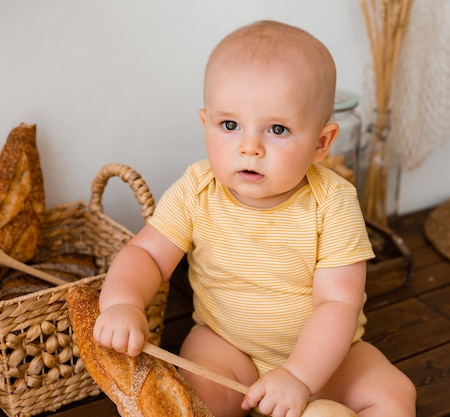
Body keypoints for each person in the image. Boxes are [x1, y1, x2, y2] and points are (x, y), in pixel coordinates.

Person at [93, 20, 416, 417]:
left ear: (321, 142)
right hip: (226, 348)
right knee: (190, 398)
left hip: (323, 358)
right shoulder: (198, 188)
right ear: (205, 123)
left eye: (277, 129)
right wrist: (122, 303)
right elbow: (147, 254)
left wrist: (298, 376)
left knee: (395, 396)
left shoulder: (333, 201)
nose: (250, 148)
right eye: (230, 125)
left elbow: (338, 304)